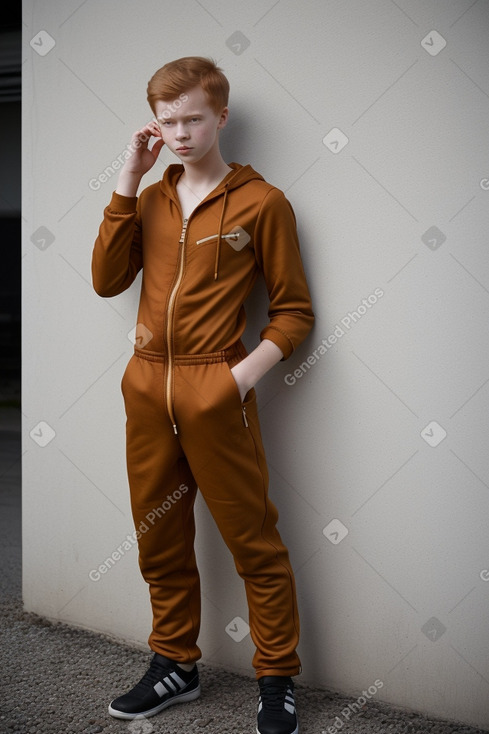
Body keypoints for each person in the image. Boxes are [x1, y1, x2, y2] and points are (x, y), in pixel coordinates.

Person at [91, 56, 314, 734]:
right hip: (145, 387)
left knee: (253, 539)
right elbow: (105, 280)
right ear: (154, 126)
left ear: (220, 116)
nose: (181, 134)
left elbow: (294, 313)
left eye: (193, 119)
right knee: (158, 538)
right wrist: (127, 178)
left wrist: (233, 381)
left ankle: (275, 678)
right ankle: (174, 664)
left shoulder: (262, 202)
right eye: (168, 122)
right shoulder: (151, 199)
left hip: (214, 386)